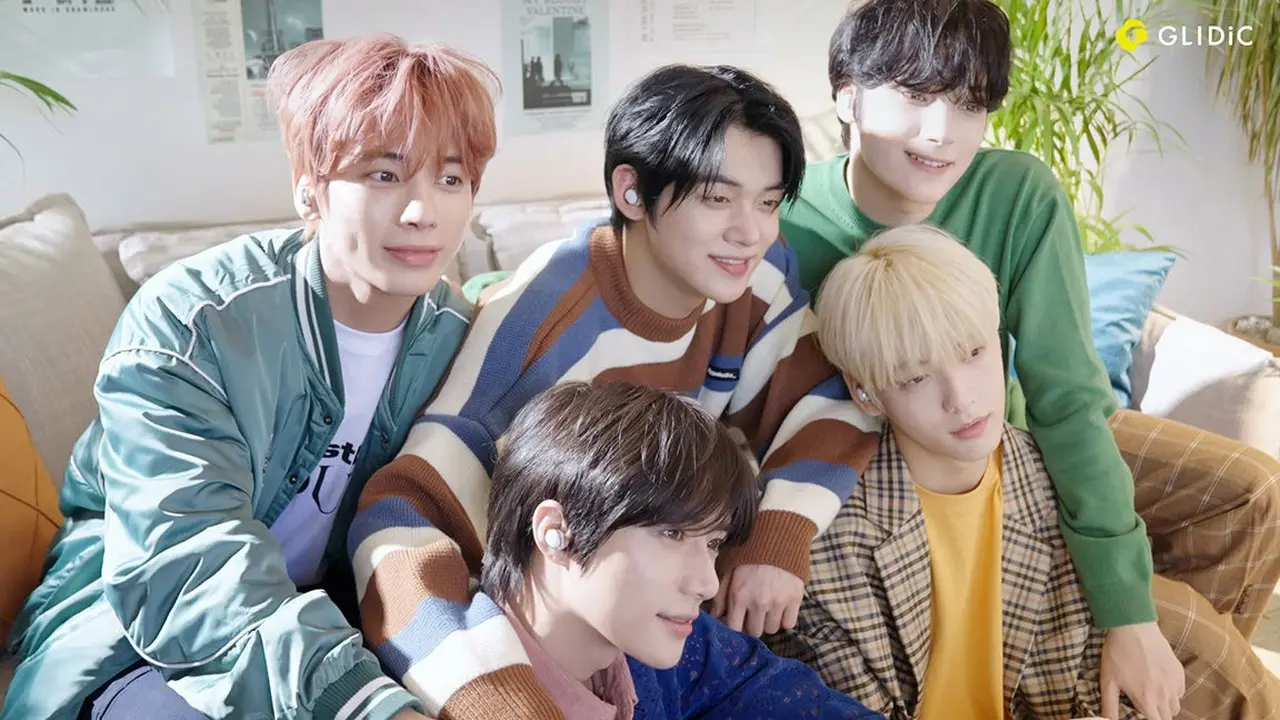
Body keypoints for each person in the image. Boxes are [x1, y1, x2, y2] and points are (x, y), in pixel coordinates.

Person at [778, 0, 1280, 714]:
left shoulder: (1016, 192)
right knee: (1200, 644)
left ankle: (1123, 676)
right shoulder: (782, 221)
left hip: (1016, 441)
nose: (941, 131)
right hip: (900, 474)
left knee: (1250, 491)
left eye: (969, 103)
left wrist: (1128, 615)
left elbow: (1068, 399)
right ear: (847, 96)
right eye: (916, 96)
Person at [347, 63, 882, 717]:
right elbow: (401, 515)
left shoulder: (754, 274)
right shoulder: (544, 325)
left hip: (664, 610)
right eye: (717, 199)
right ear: (630, 192)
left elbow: (831, 399)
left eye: (768, 202)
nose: (751, 231)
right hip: (545, 623)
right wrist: (494, 696)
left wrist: (779, 533)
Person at [2, 33, 498, 720]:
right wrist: (359, 701)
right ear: (309, 189)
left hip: (328, 624)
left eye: (450, 179)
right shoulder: (191, 325)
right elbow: (187, 564)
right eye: (385, 175)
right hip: (139, 630)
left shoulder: (460, 338)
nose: (422, 212)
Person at [767, 223, 1280, 720]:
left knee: (1207, 650)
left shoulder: (1059, 486)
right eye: (916, 378)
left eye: (973, 352)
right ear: (865, 393)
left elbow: (1103, 682)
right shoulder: (824, 543)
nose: (961, 398)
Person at [368, 379, 883, 718]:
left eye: (713, 543)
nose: (706, 583)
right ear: (556, 532)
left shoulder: (671, 645)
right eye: (672, 535)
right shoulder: (439, 692)